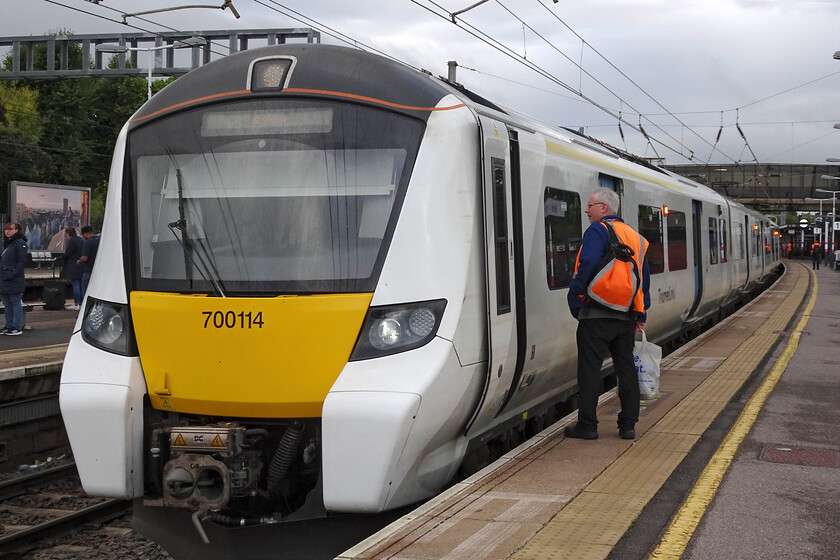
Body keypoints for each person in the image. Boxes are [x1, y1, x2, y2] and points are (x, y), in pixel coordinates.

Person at [565, 188, 651, 441]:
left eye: (590, 205)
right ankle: (628, 426)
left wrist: (574, 298)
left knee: (590, 369)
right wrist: (641, 314)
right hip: (625, 315)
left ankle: (588, 425)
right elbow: (643, 280)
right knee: (625, 367)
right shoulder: (637, 238)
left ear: (604, 208)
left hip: (596, 314)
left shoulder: (597, 230)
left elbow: (587, 264)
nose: (586, 210)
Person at [1, 222, 28, 336]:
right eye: (6, 229)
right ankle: (9, 325)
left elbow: (22, 261)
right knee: (7, 303)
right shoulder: (8, 243)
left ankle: (17, 326)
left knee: (15, 302)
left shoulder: (20, 243)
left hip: (13, 278)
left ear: (17, 230)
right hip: (4, 277)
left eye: (10, 229)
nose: (7, 231)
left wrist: (13, 273)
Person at [56, 227, 84, 309]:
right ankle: (81, 303)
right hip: (81, 265)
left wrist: (57, 258)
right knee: (81, 285)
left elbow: (68, 253)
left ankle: (76, 304)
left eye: (66, 234)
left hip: (73, 265)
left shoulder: (72, 240)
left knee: (75, 283)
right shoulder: (81, 240)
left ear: (68, 234)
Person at [78, 226, 100, 301]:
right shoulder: (99, 241)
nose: (83, 237)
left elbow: (84, 258)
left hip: (88, 270)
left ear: (86, 233)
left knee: (86, 291)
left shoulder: (88, 242)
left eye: (83, 235)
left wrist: (79, 261)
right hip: (98, 271)